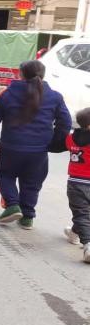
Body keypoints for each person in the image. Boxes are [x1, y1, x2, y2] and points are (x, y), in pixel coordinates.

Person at [0, 60, 71, 228]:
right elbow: (65, 123)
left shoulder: (7, 94)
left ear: (20, 74)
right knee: (32, 182)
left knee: (4, 174)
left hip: (10, 148)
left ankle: (12, 205)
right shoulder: (55, 97)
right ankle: (27, 217)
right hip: (39, 152)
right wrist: (54, 143)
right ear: (43, 75)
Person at [63, 107, 90, 263]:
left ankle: (74, 233)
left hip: (75, 182)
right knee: (84, 214)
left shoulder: (70, 138)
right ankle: (88, 245)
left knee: (82, 213)